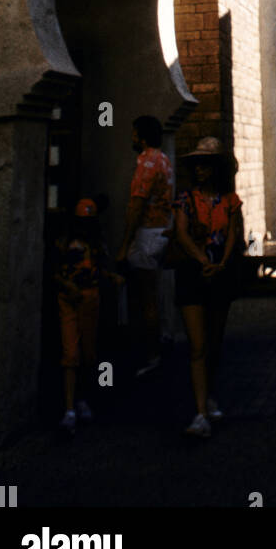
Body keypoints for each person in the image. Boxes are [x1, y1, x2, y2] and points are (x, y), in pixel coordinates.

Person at [173, 136, 242, 439]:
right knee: (198, 345)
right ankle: (200, 412)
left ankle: (208, 395)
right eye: (197, 165)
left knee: (213, 342)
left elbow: (233, 235)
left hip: (220, 276)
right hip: (192, 274)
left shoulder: (229, 200)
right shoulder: (185, 199)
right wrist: (203, 259)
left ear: (216, 169)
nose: (200, 169)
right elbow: (182, 234)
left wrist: (222, 262)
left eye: (206, 164)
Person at [54, 198, 123, 435]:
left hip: (90, 297)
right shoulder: (64, 243)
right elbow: (53, 271)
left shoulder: (96, 245)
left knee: (90, 352)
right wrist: (66, 285)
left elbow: (98, 269)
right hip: (69, 299)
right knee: (71, 353)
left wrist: (111, 278)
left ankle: (84, 398)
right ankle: (70, 407)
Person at [117, 115, 174, 377]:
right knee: (155, 294)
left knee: (146, 298)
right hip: (161, 232)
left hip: (147, 234)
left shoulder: (147, 163)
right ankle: (160, 342)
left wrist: (125, 243)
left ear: (141, 136)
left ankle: (151, 355)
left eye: (134, 132)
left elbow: (137, 205)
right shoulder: (164, 160)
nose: (131, 137)